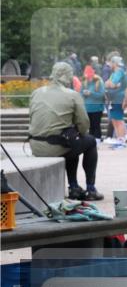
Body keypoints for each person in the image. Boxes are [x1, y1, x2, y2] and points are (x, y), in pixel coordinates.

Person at [28, 63, 104, 201]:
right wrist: (78, 131)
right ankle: (90, 188)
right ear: (68, 77)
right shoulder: (72, 95)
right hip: (56, 146)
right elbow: (84, 124)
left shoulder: (36, 93)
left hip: (36, 145)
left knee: (71, 141)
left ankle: (74, 187)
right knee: (89, 141)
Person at [103, 56, 127, 148]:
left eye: (111, 63)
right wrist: (110, 84)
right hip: (113, 98)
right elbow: (107, 84)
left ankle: (121, 141)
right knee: (114, 119)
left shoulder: (119, 72)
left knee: (118, 119)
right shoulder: (114, 73)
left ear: (115, 63)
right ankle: (119, 139)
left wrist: (110, 84)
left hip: (118, 98)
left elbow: (111, 84)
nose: (109, 65)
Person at [80, 64, 105, 140]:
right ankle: (91, 141)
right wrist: (84, 94)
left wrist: (91, 93)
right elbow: (80, 94)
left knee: (96, 125)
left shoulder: (99, 81)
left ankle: (97, 140)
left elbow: (101, 95)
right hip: (87, 108)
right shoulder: (84, 82)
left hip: (97, 108)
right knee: (90, 127)